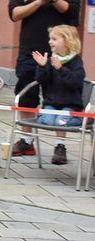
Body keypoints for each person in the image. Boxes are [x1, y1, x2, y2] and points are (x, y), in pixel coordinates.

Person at [8, 0, 81, 157]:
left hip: (63, 52)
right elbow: (14, 14)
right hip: (31, 49)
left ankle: (60, 146)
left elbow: (73, 12)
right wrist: (39, 1)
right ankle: (27, 140)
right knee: (27, 95)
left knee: (62, 97)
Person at [32, 24, 86, 165]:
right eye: (50, 39)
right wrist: (42, 66)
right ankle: (50, 119)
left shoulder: (76, 62)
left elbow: (75, 82)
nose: (50, 42)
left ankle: (60, 145)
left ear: (67, 41)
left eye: (54, 39)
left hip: (70, 105)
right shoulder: (51, 59)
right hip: (52, 103)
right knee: (49, 121)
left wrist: (61, 69)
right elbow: (41, 81)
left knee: (60, 122)